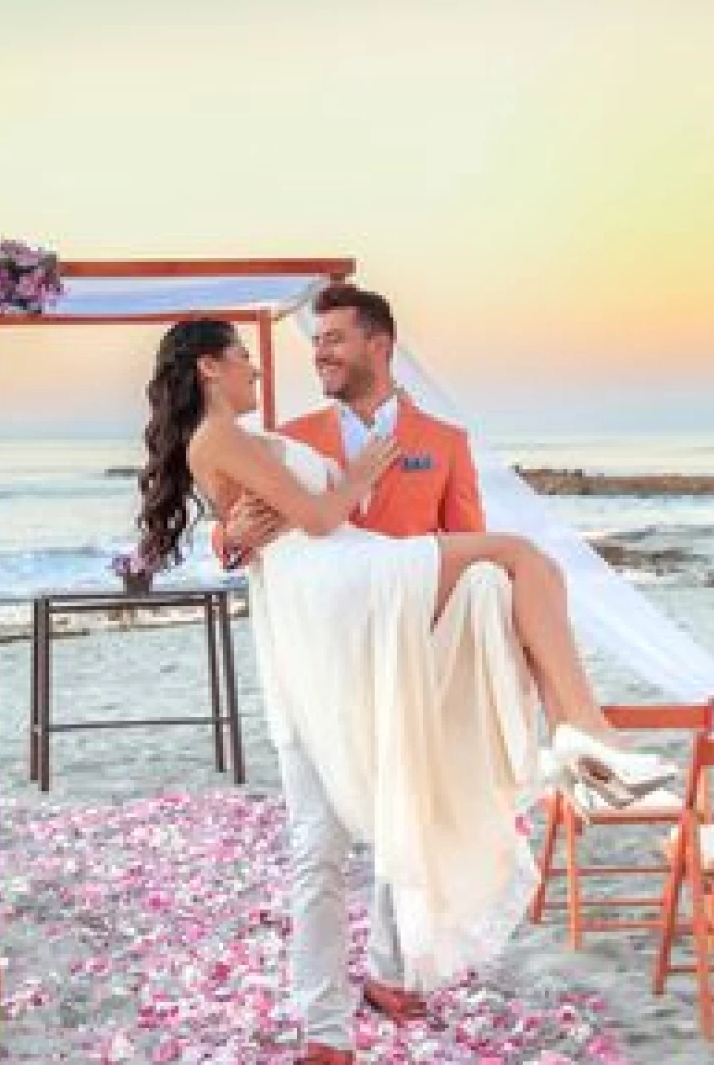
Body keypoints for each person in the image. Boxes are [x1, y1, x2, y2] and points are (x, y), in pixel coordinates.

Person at [136, 301, 670, 1064]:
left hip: (398, 622)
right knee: (317, 839)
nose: (310, 354)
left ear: (377, 344)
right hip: (340, 612)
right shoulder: (287, 436)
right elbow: (262, 514)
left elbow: (459, 532)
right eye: (309, 341)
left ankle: (391, 970)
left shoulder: (440, 441)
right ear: (212, 365)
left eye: (331, 339)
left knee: (412, 777)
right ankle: (580, 731)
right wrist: (243, 532)